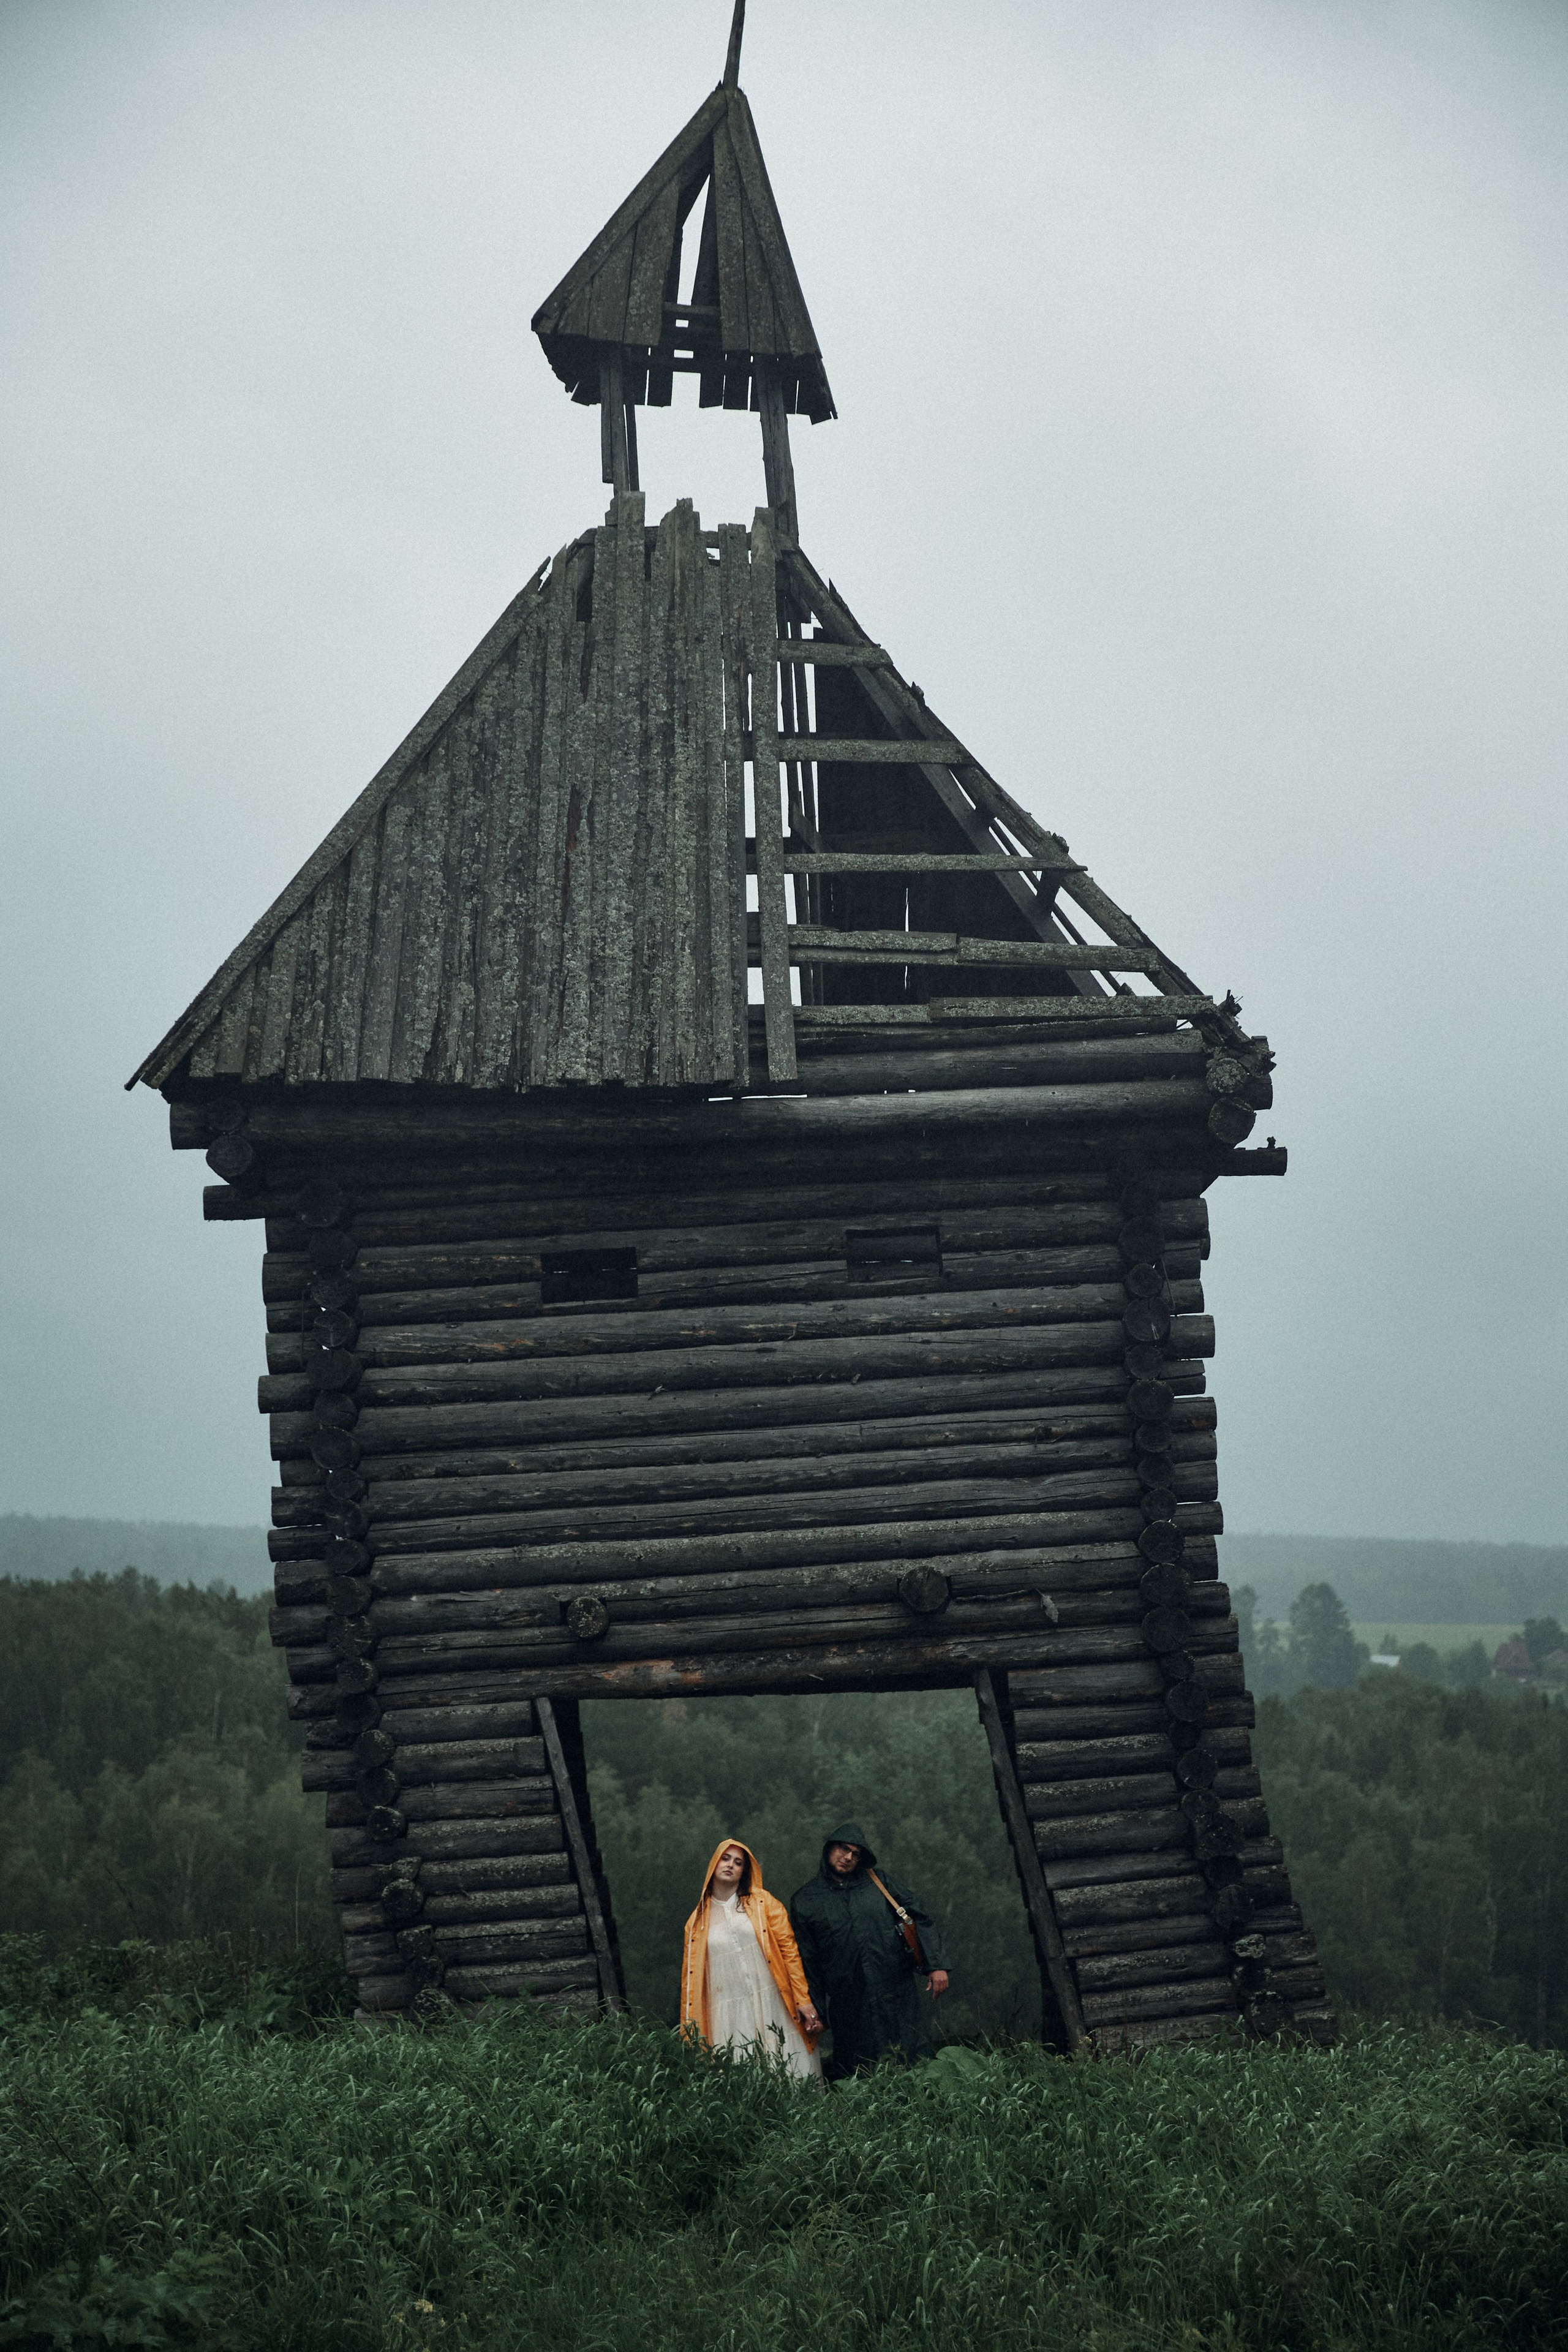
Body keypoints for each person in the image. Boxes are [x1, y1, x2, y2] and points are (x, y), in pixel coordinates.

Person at [788, 1820, 950, 2076]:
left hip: (896, 1989)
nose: (848, 1857)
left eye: (856, 1853)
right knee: (856, 2067)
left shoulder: (878, 1882)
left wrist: (936, 1964)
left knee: (912, 2056)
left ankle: (922, 2106)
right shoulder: (805, 1900)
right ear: (829, 1848)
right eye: (843, 1849)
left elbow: (918, 1915)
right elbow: (807, 1961)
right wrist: (815, 2009)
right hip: (847, 1999)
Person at [680, 1838, 824, 2081]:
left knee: (789, 2063)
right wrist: (689, 2029)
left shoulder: (763, 1902)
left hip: (773, 1999)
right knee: (742, 2070)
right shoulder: (697, 1922)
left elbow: (789, 1950)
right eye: (725, 1859)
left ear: (744, 1871)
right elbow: (690, 1979)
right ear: (714, 1864)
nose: (730, 1866)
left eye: (738, 1863)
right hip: (727, 2007)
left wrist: (803, 1999)